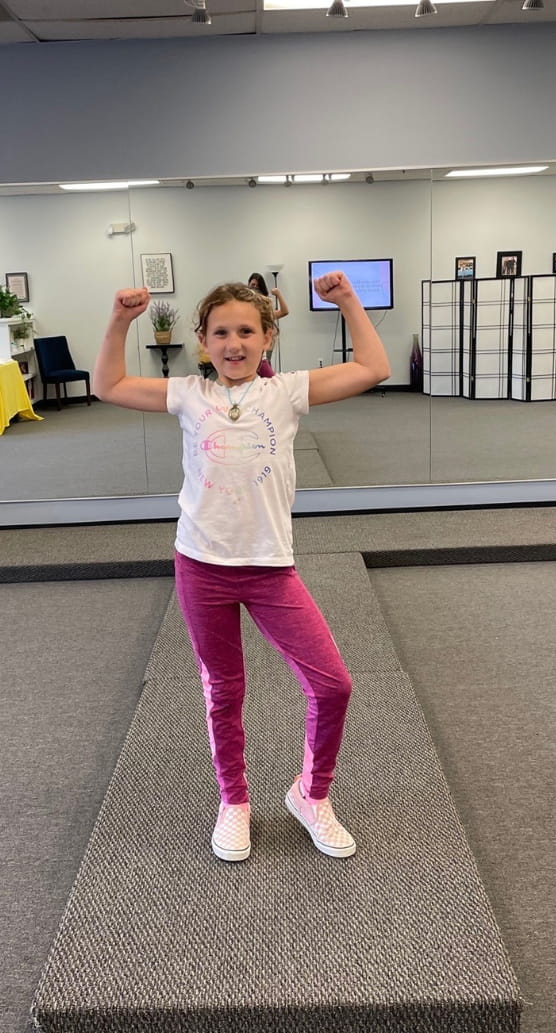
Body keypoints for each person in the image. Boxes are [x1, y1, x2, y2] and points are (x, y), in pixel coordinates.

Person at [94, 272, 390, 862]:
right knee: (223, 692)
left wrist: (349, 302)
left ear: (267, 338)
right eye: (221, 332)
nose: (234, 343)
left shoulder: (286, 392)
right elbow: (108, 385)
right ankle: (234, 802)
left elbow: (372, 368)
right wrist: (121, 321)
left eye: (246, 331)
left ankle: (312, 795)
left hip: (270, 568)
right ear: (203, 341)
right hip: (201, 565)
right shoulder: (187, 394)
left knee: (333, 686)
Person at [248, 272, 289, 377]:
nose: (255, 288)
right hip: (250, 350)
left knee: (268, 377)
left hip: (263, 351)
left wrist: (278, 294)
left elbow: (284, 311)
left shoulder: (264, 308)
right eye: (253, 285)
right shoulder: (243, 306)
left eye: (257, 286)